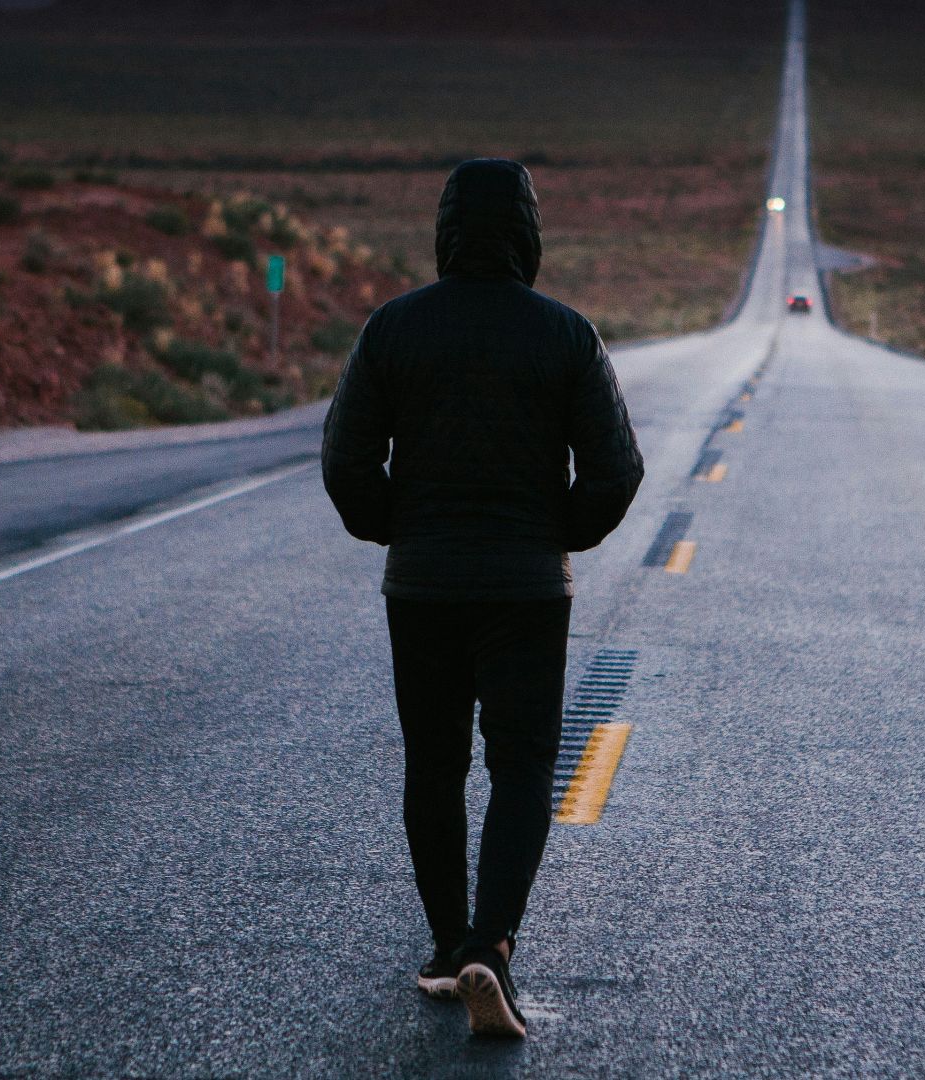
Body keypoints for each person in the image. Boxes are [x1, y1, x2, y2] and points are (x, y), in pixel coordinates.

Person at [321, 158, 644, 1038]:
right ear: (529, 234)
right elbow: (617, 468)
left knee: (434, 766)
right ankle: (489, 948)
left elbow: (346, 460)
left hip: (421, 584)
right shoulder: (565, 334)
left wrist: (398, 528)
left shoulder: (393, 329)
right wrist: (559, 536)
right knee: (523, 766)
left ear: (446, 229)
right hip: (527, 590)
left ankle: (443, 947)